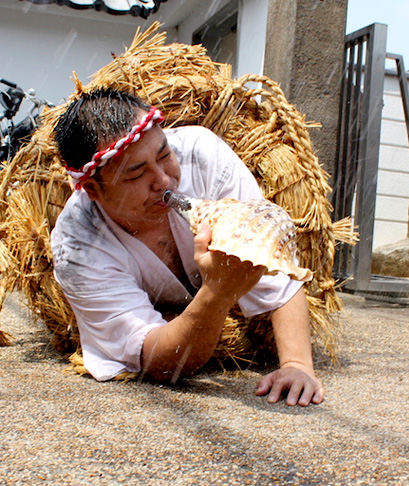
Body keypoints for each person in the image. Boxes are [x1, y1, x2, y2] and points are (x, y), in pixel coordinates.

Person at [49, 88, 324, 406]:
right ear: (93, 189)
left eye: (164, 154)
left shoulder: (201, 154)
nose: (164, 180)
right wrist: (217, 294)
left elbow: (267, 252)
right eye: (137, 174)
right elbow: (157, 359)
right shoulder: (78, 245)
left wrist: (297, 365)